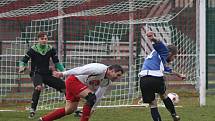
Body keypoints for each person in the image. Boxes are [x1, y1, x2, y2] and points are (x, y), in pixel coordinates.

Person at [39, 63, 124, 121]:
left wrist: (93, 109)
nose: (118, 78)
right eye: (118, 75)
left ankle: (43, 119)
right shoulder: (99, 69)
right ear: (111, 71)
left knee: (69, 110)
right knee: (91, 97)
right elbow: (79, 70)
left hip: (79, 86)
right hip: (73, 81)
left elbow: (99, 95)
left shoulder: (107, 81)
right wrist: (62, 74)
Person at [138, 31, 184, 121]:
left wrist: (179, 75)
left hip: (143, 79)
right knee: (164, 96)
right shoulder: (165, 51)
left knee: (153, 104)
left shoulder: (155, 56)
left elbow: (167, 69)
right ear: (170, 53)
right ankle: (174, 115)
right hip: (155, 78)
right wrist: (153, 38)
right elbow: (159, 44)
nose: (173, 59)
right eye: (174, 57)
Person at [18, 32, 66, 118]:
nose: (44, 40)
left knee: (65, 87)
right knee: (38, 87)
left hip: (46, 74)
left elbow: (57, 62)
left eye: (45, 39)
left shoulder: (50, 49)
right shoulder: (33, 49)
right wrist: (21, 67)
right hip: (36, 73)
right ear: (38, 40)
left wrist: (64, 72)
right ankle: (32, 110)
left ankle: (73, 108)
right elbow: (23, 61)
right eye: (42, 39)